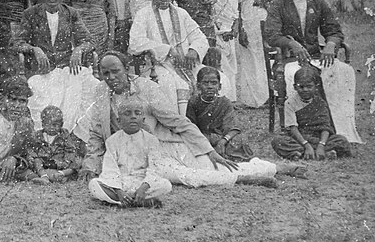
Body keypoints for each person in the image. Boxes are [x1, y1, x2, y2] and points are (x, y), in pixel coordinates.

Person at [77, 53, 285, 188]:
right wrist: (90, 165)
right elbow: (96, 134)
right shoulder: (101, 91)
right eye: (106, 73)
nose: (111, 77)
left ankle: (270, 168)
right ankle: (247, 178)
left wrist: (208, 149)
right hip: (130, 156)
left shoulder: (146, 88)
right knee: (184, 177)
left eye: (116, 71)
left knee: (212, 165)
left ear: (126, 69)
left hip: (163, 147)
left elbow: (177, 121)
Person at [265, 0, 362, 144]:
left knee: (343, 71)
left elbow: (334, 30)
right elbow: (271, 35)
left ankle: (340, 129)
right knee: (297, 75)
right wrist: (292, 44)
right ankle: (300, 127)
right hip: (289, 59)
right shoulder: (278, 4)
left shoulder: (318, 3)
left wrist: (331, 44)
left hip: (315, 57)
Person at [12, 0, 97, 130]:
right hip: (41, 71)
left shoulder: (71, 13)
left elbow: (89, 41)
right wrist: (34, 49)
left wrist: (78, 49)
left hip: (66, 68)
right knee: (41, 96)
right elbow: (17, 42)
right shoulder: (31, 14)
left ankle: (75, 135)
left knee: (87, 91)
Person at [129, 0, 208, 115]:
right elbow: (135, 42)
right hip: (157, 65)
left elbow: (199, 36)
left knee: (213, 78)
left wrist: (193, 50)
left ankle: (200, 123)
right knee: (170, 84)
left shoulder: (181, 13)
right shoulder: (143, 14)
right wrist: (168, 50)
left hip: (185, 63)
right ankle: (175, 124)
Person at [87, 96, 171, 208]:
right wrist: (119, 190)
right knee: (94, 184)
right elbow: (110, 169)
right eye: (127, 114)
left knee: (166, 185)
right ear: (119, 121)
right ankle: (129, 200)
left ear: (143, 119)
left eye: (137, 113)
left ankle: (129, 200)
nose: (133, 117)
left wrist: (143, 188)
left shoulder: (151, 140)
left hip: (142, 183)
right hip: (121, 182)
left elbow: (154, 168)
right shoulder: (112, 141)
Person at [271, 66, 352, 160]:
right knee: (278, 141)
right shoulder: (290, 103)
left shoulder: (320, 102)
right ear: (295, 87)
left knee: (341, 140)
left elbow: (326, 127)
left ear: (316, 87)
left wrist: (321, 145)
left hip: (318, 138)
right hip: (300, 138)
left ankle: (304, 154)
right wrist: (306, 145)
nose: (305, 89)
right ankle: (320, 153)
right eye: (301, 86)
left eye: (309, 86)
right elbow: (293, 128)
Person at [186, 67, 254, 162]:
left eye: (214, 83)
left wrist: (222, 141)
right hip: (203, 138)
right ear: (198, 86)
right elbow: (191, 127)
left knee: (240, 139)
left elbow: (233, 128)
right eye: (205, 83)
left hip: (223, 139)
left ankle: (229, 156)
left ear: (220, 86)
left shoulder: (224, 102)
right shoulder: (193, 102)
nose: (210, 86)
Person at [233, 0, 270, 108]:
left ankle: (269, 96)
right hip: (247, 15)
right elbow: (237, 2)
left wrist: (264, 1)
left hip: (264, 13)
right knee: (249, 55)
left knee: (265, 54)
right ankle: (251, 99)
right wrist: (240, 27)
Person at [22, 106, 85, 184]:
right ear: (42, 124)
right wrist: (33, 157)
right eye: (47, 125)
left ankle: (62, 174)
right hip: (44, 161)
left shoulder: (64, 134)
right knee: (36, 161)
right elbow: (32, 148)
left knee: (77, 161)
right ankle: (44, 176)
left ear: (61, 124)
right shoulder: (38, 135)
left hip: (60, 162)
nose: (51, 128)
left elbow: (70, 150)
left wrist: (67, 161)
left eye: (55, 125)